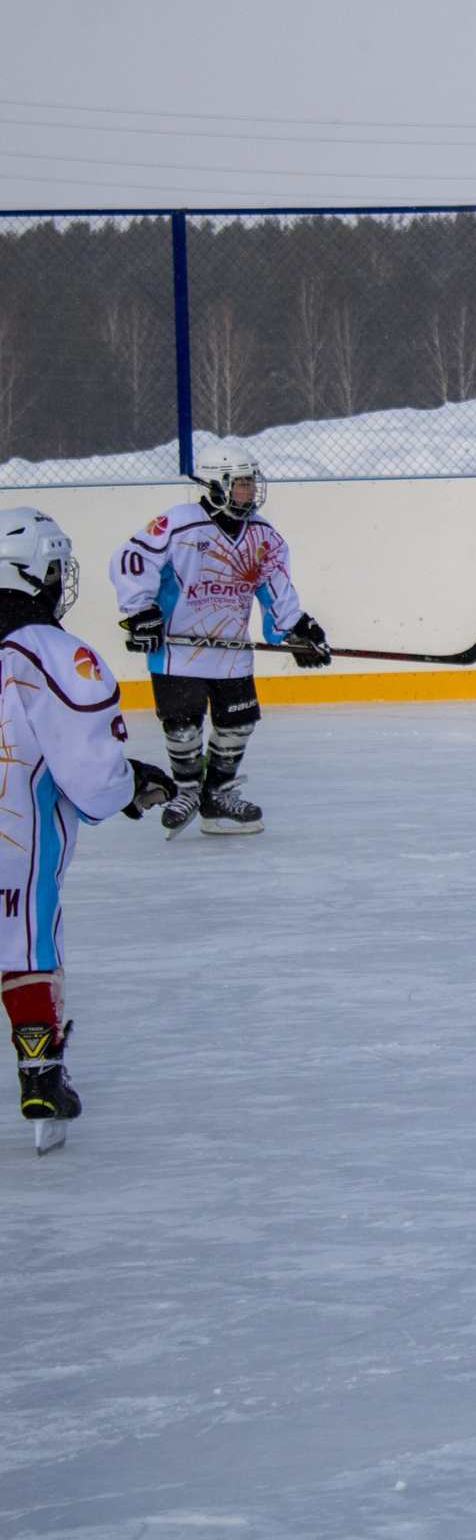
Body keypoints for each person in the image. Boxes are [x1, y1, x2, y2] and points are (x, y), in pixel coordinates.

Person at [0, 508, 175, 1150]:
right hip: (13, 831)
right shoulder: (50, 651)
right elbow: (91, 772)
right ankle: (40, 1074)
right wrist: (128, 787)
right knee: (24, 940)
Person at [109, 452, 330, 837]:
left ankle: (216, 794)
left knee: (238, 724)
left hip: (232, 653)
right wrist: (141, 611)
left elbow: (274, 586)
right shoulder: (179, 523)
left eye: (251, 482)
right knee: (182, 727)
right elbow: (131, 559)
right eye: (241, 483)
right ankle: (188, 791)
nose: (250, 490)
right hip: (177, 652)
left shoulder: (264, 535)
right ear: (216, 484)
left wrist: (295, 627)